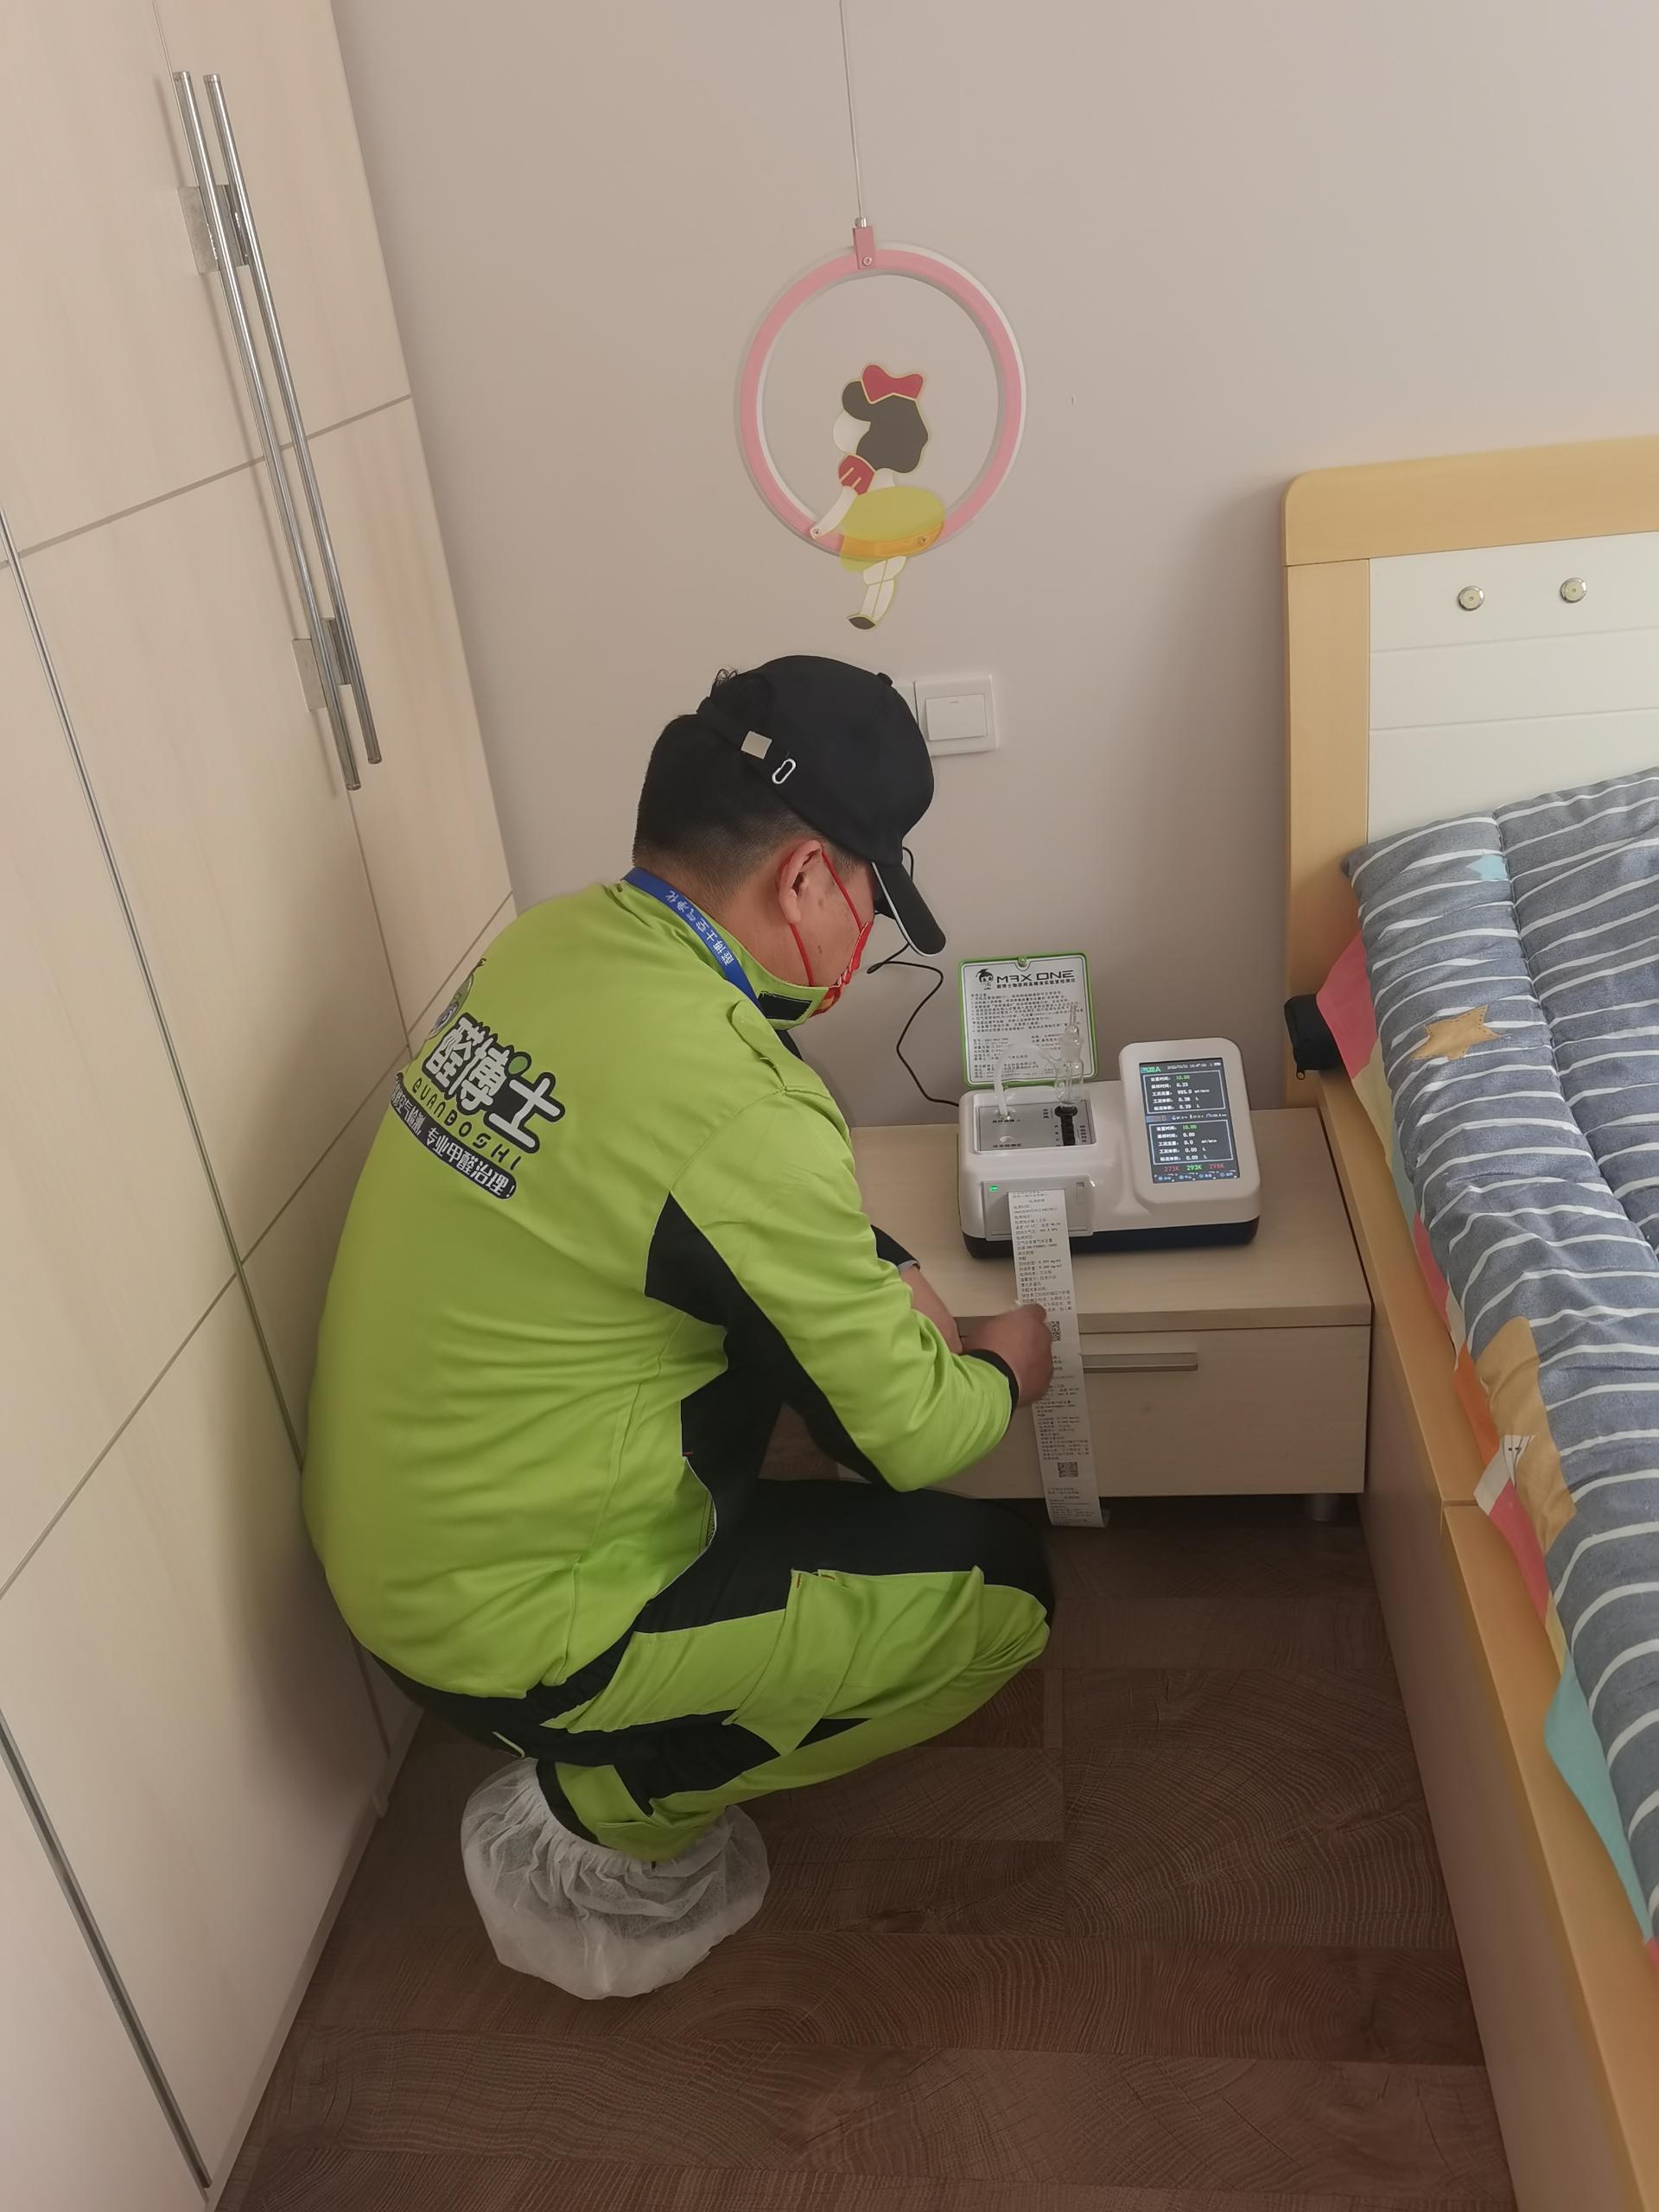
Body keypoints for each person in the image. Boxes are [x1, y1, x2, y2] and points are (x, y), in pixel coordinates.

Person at [302, 655, 1054, 1989]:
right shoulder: (733, 1099)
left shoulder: (547, 946)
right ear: (807, 878)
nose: (865, 935)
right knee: (1004, 1596)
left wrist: (873, 1267)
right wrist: (1005, 1368)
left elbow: (673, 1207)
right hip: (519, 1631)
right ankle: (618, 1799)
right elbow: (908, 1439)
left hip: (399, 1553)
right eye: (872, 897)